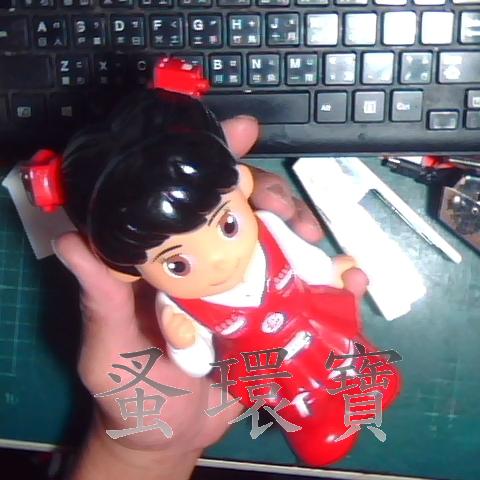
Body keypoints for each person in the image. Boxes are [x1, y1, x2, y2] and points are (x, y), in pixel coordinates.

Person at [51, 114, 376, 480]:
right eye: (177, 264)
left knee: (346, 352)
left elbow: (306, 261)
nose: (217, 260)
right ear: (127, 270)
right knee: (295, 398)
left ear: (241, 184)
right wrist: (183, 342)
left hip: (308, 318)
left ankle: (367, 381)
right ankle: (316, 426)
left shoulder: (268, 229)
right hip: (264, 360)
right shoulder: (179, 307)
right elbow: (199, 363)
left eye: (227, 225)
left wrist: (330, 274)